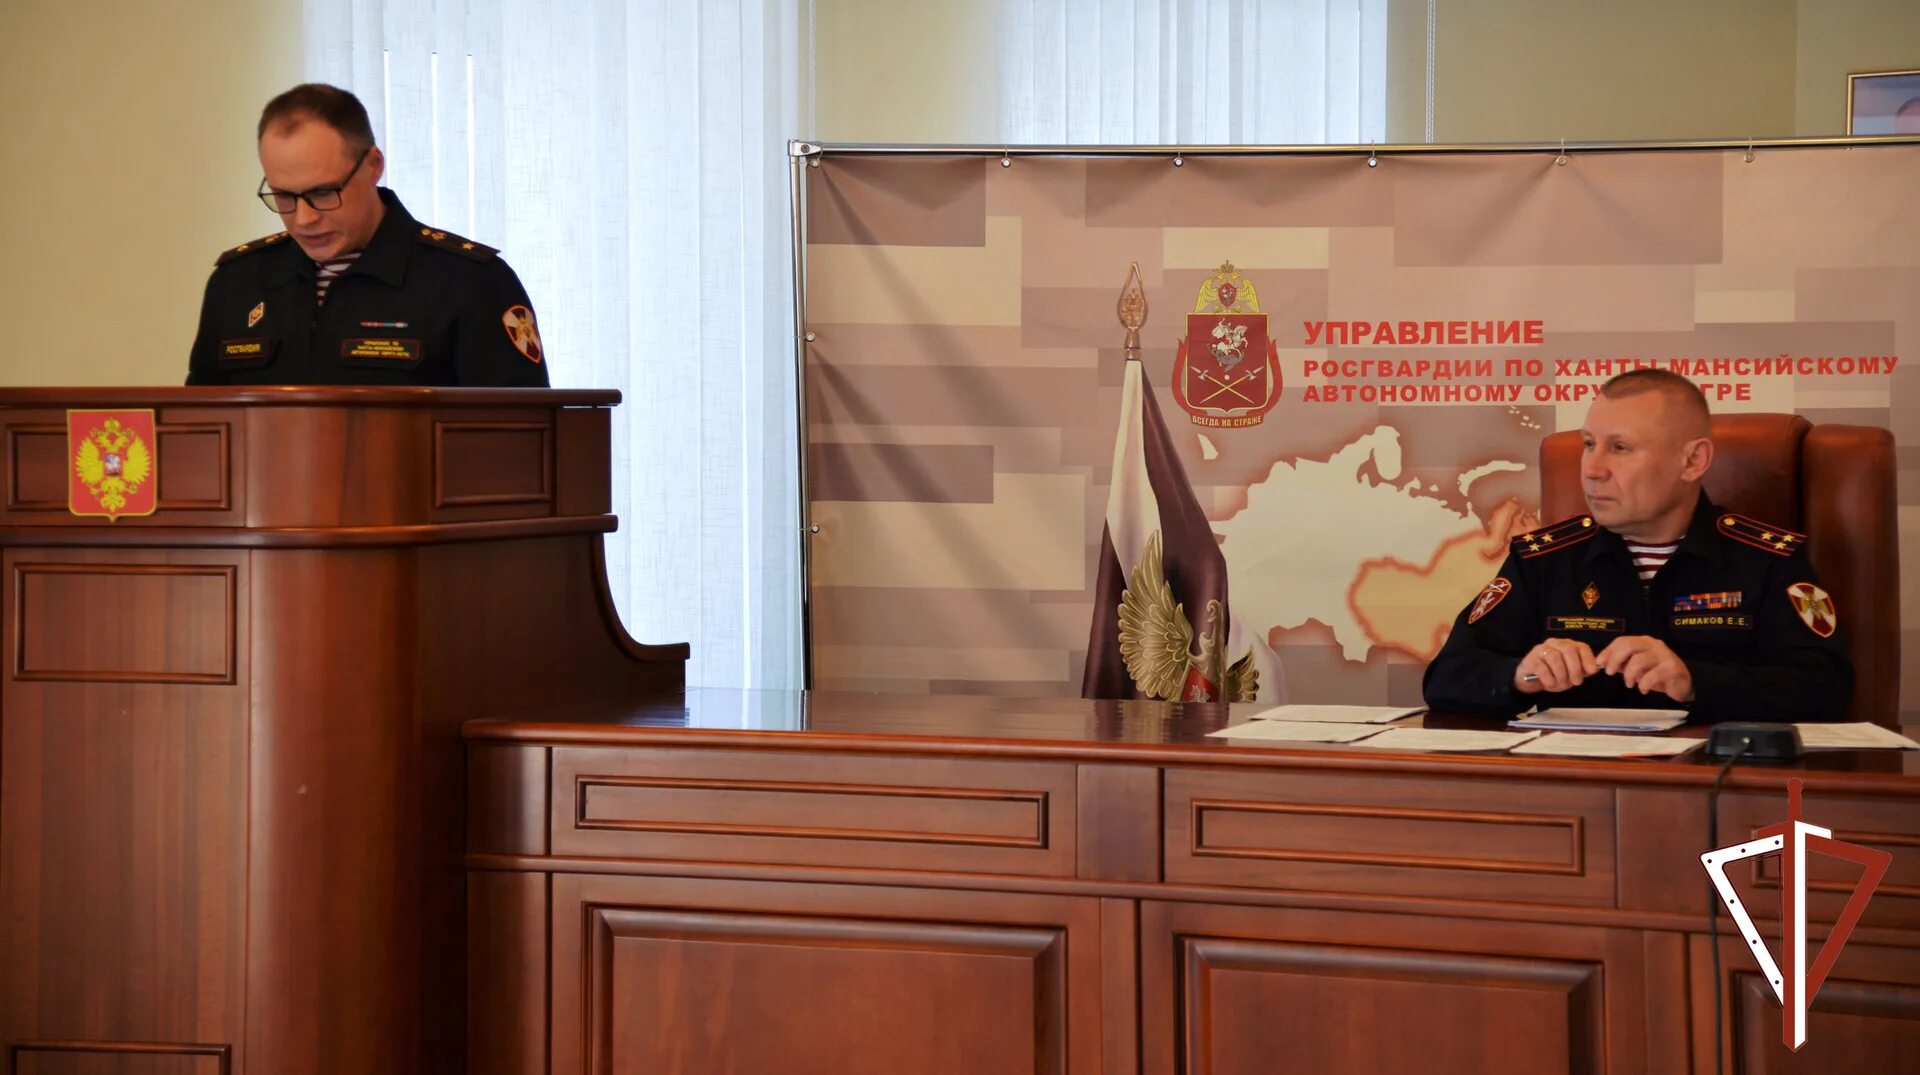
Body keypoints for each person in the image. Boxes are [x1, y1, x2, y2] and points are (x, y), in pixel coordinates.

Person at [1423, 369, 1853, 722]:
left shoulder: (1769, 559)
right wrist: (1521, 674)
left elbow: (1827, 687)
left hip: (1721, 782)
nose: (1592, 469)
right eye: (1589, 445)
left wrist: (1695, 681)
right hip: (1579, 783)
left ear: (1693, 461)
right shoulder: (1544, 559)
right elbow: (1446, 678)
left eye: (1620, 448)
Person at [186, 83, 548, 386]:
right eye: (283, 196)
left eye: (323, 193)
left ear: (374, 165)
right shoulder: (236, 283)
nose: (304, 219)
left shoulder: (471, 283)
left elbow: (519, 435)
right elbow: (200, 429)